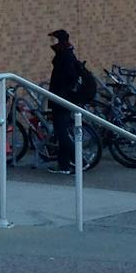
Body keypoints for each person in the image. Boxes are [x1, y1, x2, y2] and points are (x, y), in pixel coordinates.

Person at [45, 29, 90, 173]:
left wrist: (63, 92)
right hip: (61, 98)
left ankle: (80, 161)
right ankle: (63, 165)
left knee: (62, 133)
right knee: (61, 132)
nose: (52, 43)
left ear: (61, 40)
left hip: (62, 99)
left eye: (54, 40)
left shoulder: (65, 55)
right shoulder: (64, 53)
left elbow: (71, 76)